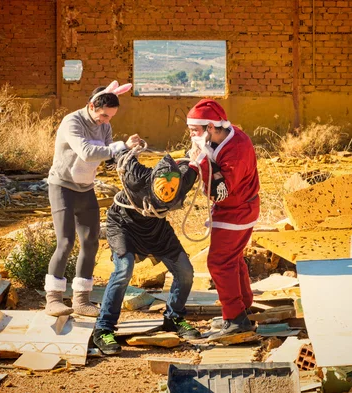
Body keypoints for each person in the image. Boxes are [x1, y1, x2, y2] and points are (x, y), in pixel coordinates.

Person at [92, 146, 202, 355]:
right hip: (124, 224)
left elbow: (193, 159)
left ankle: (174, 318)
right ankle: (103, 328)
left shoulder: (184, 180)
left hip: (156, 228)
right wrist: (126, 146)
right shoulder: (137, 177)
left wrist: (197, 149)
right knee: (124, 269)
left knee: (185, 271)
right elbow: (121, 155)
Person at [44, 81, 141, 318]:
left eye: (110, 117)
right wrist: (120, 146)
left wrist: (129, 152)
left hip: (85, 187)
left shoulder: (104, 126)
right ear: (91, 106)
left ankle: (81, 300)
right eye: (103, 115)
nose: (106, 121)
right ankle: (53, 299)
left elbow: (108, 156)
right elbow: (87, 152)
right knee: (66, 242)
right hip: (62, 186)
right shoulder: (72, 121)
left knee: (90, 241)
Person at [186, 99, 260, 340]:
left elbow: (221, 191)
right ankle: (242, 308)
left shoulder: (236, 149)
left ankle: (235, 320)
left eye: (194, 131)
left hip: (236, 211)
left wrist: (204, 160)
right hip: (239, 209)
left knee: (219, 263)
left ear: (209, 127)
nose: (191, 135)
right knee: (233, 258)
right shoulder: (227, 135)